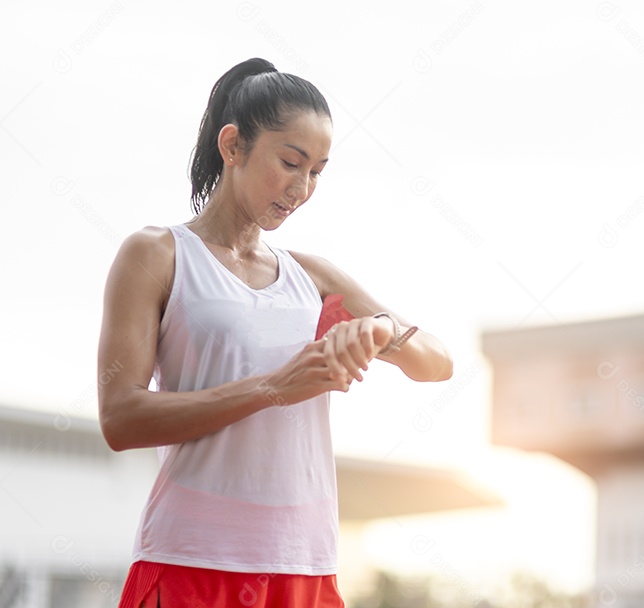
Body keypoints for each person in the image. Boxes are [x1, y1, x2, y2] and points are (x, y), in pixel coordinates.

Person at [98, 57, 454, 608]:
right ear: (233, 145)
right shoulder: (158, 255)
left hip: (304, 566)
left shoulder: (313, 279)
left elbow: (437, 364)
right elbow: (120, 418)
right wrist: (274, 388)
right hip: (194, 560)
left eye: (317, 171)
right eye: (290, 162)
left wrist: (380, 330)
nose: (302, 187)